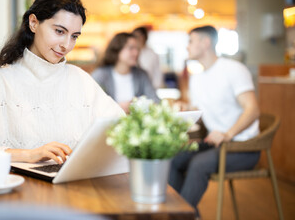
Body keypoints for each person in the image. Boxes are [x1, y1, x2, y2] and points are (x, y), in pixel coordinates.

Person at [0, 0, 124, 164]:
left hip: (74, 186)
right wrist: (28, 155)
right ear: (34, 23)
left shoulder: (81, 80)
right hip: (16, 189)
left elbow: (121, 128)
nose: (66, 45)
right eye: (59, 31)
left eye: (74, 36)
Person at [168, 26, 260, 216]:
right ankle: (188, 213)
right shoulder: (197, 78)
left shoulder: (234, 69)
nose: (187, 47)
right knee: (172, 158)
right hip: (216, 143)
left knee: (198, 164)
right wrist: (188, 109)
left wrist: (228, 134)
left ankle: (180, 216)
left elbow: (253, 109)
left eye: (191, 42)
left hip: (244, 146)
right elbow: (204, 111)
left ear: (205, 43)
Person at [91, 32, 159, 113]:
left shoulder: (142, 75)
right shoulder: (100, 75)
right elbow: (91, 104)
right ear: (117, 50)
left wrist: (137, 105)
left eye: (137, 49)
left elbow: (156, 101)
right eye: (131, 48)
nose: (136, 53)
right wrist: (116, 107)